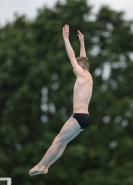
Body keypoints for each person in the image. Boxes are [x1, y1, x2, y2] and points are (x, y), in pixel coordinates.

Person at [29, 24, 93, 176]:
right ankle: (46, 167)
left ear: (78, 67)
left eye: (75, 67)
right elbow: (84, 60)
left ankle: (41, 164)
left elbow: (72, 57)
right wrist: (82, 43)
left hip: (77, 117)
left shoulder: (80, 73)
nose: (73, 69)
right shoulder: (88, 75)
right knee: (63, 142)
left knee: (58, 140)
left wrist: (65, 38)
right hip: (86, 118)